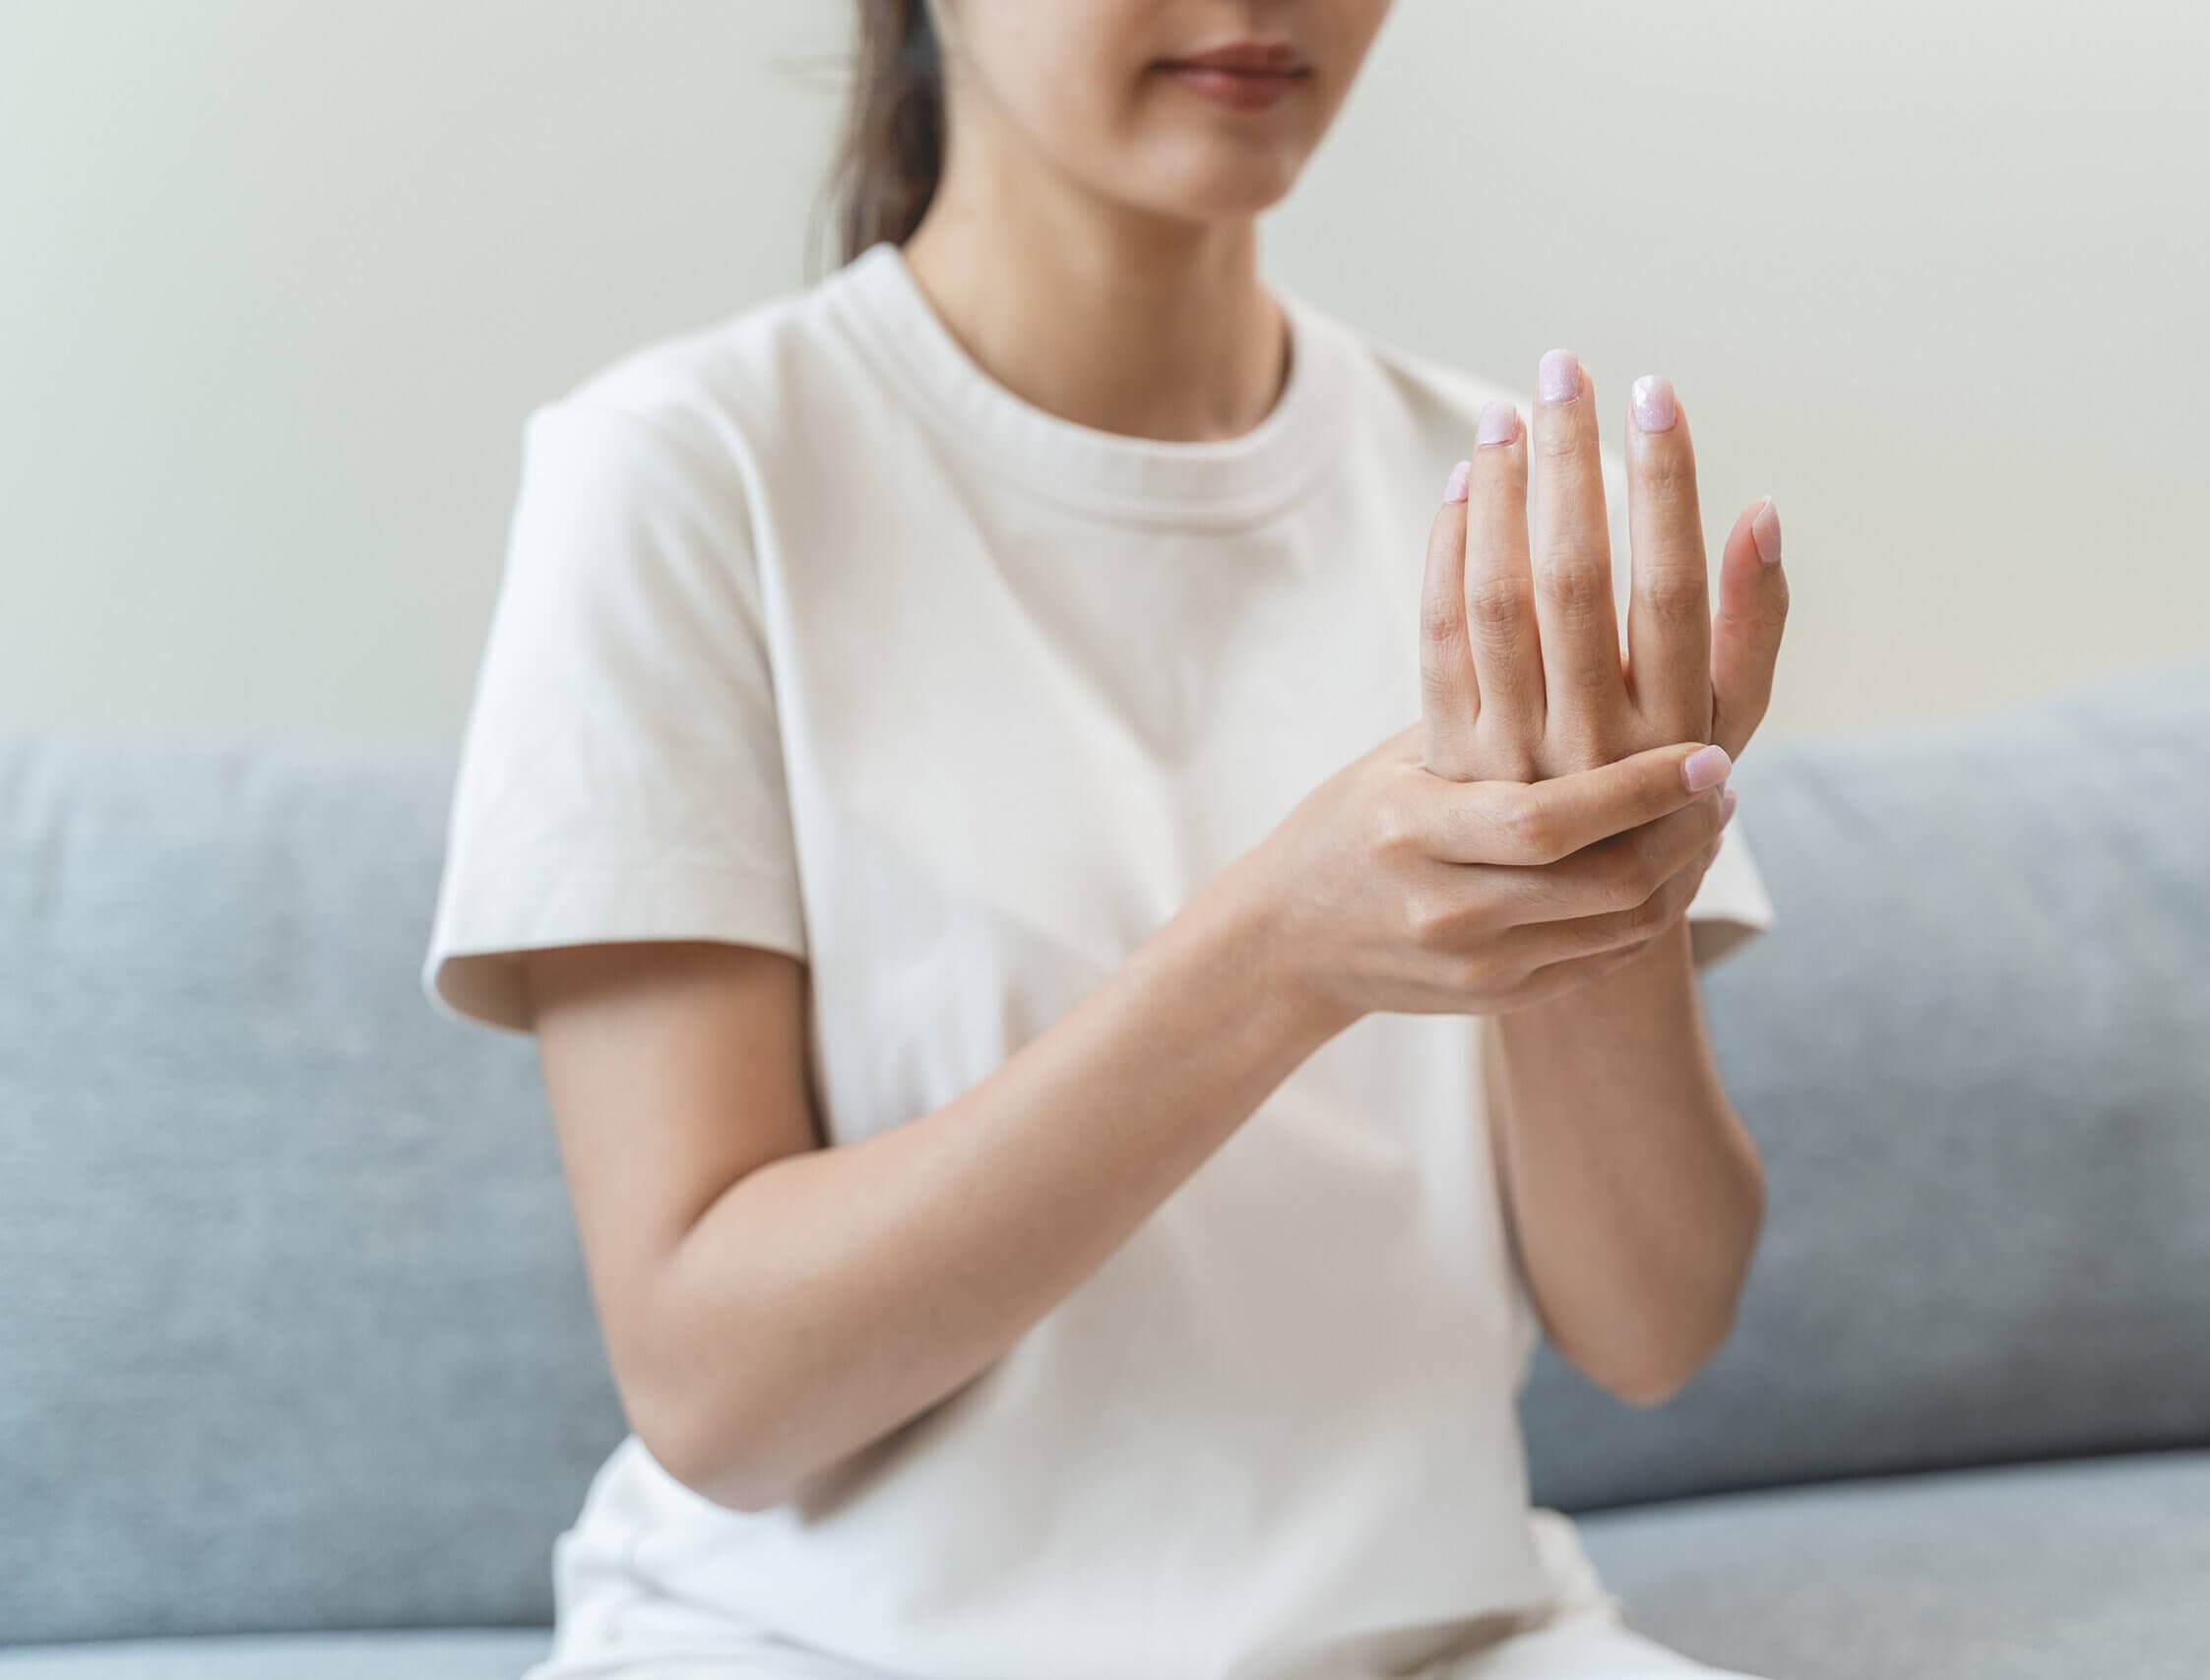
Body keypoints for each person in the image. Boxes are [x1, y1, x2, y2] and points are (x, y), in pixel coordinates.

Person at [422, 2, 1794, 1675]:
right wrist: (1281, 952)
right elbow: (721, 1393)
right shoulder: (684, 475)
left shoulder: (1490, 503)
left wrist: (1603, 892)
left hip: (1443, 1643)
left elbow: (1653, 1329)